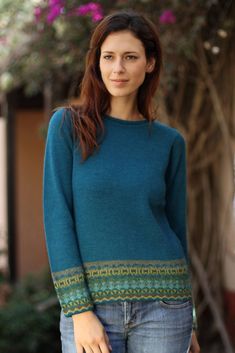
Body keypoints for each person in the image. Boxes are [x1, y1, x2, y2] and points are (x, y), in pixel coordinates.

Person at [43, 9, 200, 353]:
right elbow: (57, 219)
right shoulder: (68, 127)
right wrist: (79, 310)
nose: (118, 68)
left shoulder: (168, 142)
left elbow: (177, 228)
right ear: (96, 62)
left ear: (150, 63)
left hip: (165, 308)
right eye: (109, 57)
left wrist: (189, 320)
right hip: (92, 310)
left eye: (130, 57)